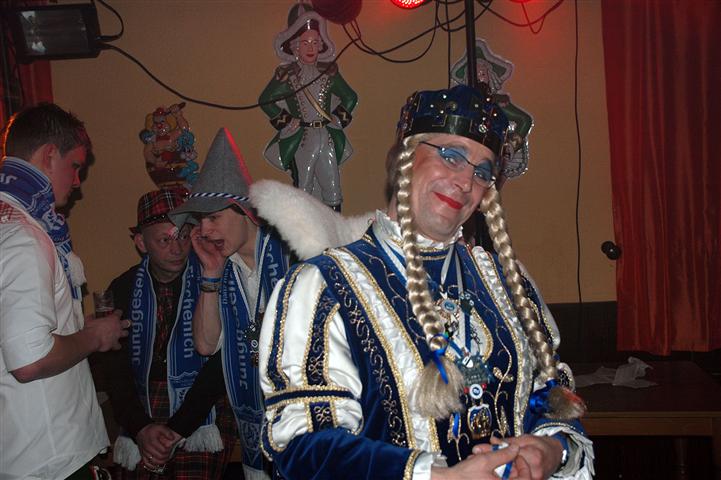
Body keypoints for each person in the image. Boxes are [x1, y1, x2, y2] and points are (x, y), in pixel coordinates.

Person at [256, 84, 595, 479]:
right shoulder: (325, 285)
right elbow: (305, 447)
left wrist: (553, 449)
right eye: (452, 156)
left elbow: (550, 395)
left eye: (482, 172)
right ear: (405, 157)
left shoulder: (507, 282)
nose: (466, 182)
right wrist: (435, 476)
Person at [0, 103, 129, 479]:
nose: (77, 182)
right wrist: (94, 336)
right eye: (75, 167)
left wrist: (75, 328)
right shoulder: (24, 237)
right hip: (46, 457)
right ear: (49, 154)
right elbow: (30, 359)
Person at [168, 127, 290, 480]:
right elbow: (206, 346)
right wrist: (210, 274)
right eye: (200, 221)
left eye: (213, 217)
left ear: (244, 212)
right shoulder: (219, 267)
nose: (204, 230)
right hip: (254, 437)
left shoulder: (291, 254)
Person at [99, 188, 237, 478]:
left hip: (203, 407)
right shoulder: (123, 288)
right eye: (165, 240)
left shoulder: (214, 280)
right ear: (141, 242)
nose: (177, 249)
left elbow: (222, 362)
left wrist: (178, 428)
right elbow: (114, 368)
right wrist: (141, 427)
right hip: (141, 405)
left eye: (184, 236)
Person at [259, 2, 358, 210]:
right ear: (295, 46)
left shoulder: (329, 72)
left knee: (332, 188)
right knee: (303, 188)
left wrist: (337, 118)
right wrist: (287, 121)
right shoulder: (287, 75)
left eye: (315, 42)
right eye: (305, 43)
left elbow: (350, 97)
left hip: (326, 135)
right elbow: (266, 99)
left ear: (321, 44)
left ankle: (333, 226)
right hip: (302, 138)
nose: (311, 48)